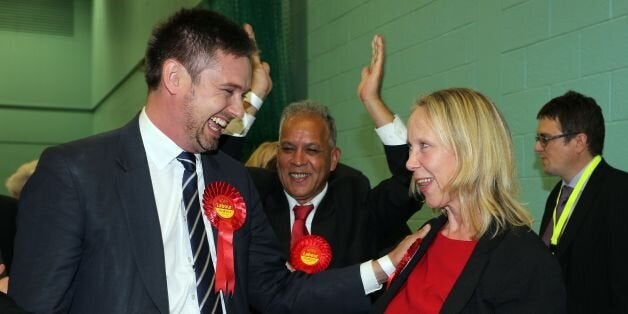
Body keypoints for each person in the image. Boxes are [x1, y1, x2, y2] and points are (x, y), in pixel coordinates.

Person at [9, 9, 415, 313]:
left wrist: (383, 267)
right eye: (228, 91)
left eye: (243, 94)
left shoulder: (233, 179)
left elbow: (275, 290)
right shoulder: (75, 174)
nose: (238, 109)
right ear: (174, 78)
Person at [220, 34, 420, 269]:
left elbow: (414, 177)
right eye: (288, 148)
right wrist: (257, 95)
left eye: (312, 150)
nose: (297, 160)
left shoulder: (356, 201)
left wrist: (372, 101)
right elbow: (214, 167)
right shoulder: (256, 193)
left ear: (333, 158)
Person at [372, 87, 566, 313]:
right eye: (410, 148)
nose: (409, 163)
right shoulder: (424, 237)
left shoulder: (526, 262)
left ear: (469, 151)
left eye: (424, 146)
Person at [535, 91, 628, 313]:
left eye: (545, 138)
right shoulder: (557, 194)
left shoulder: (620, 192)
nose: (537, 147)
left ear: (579, 142)